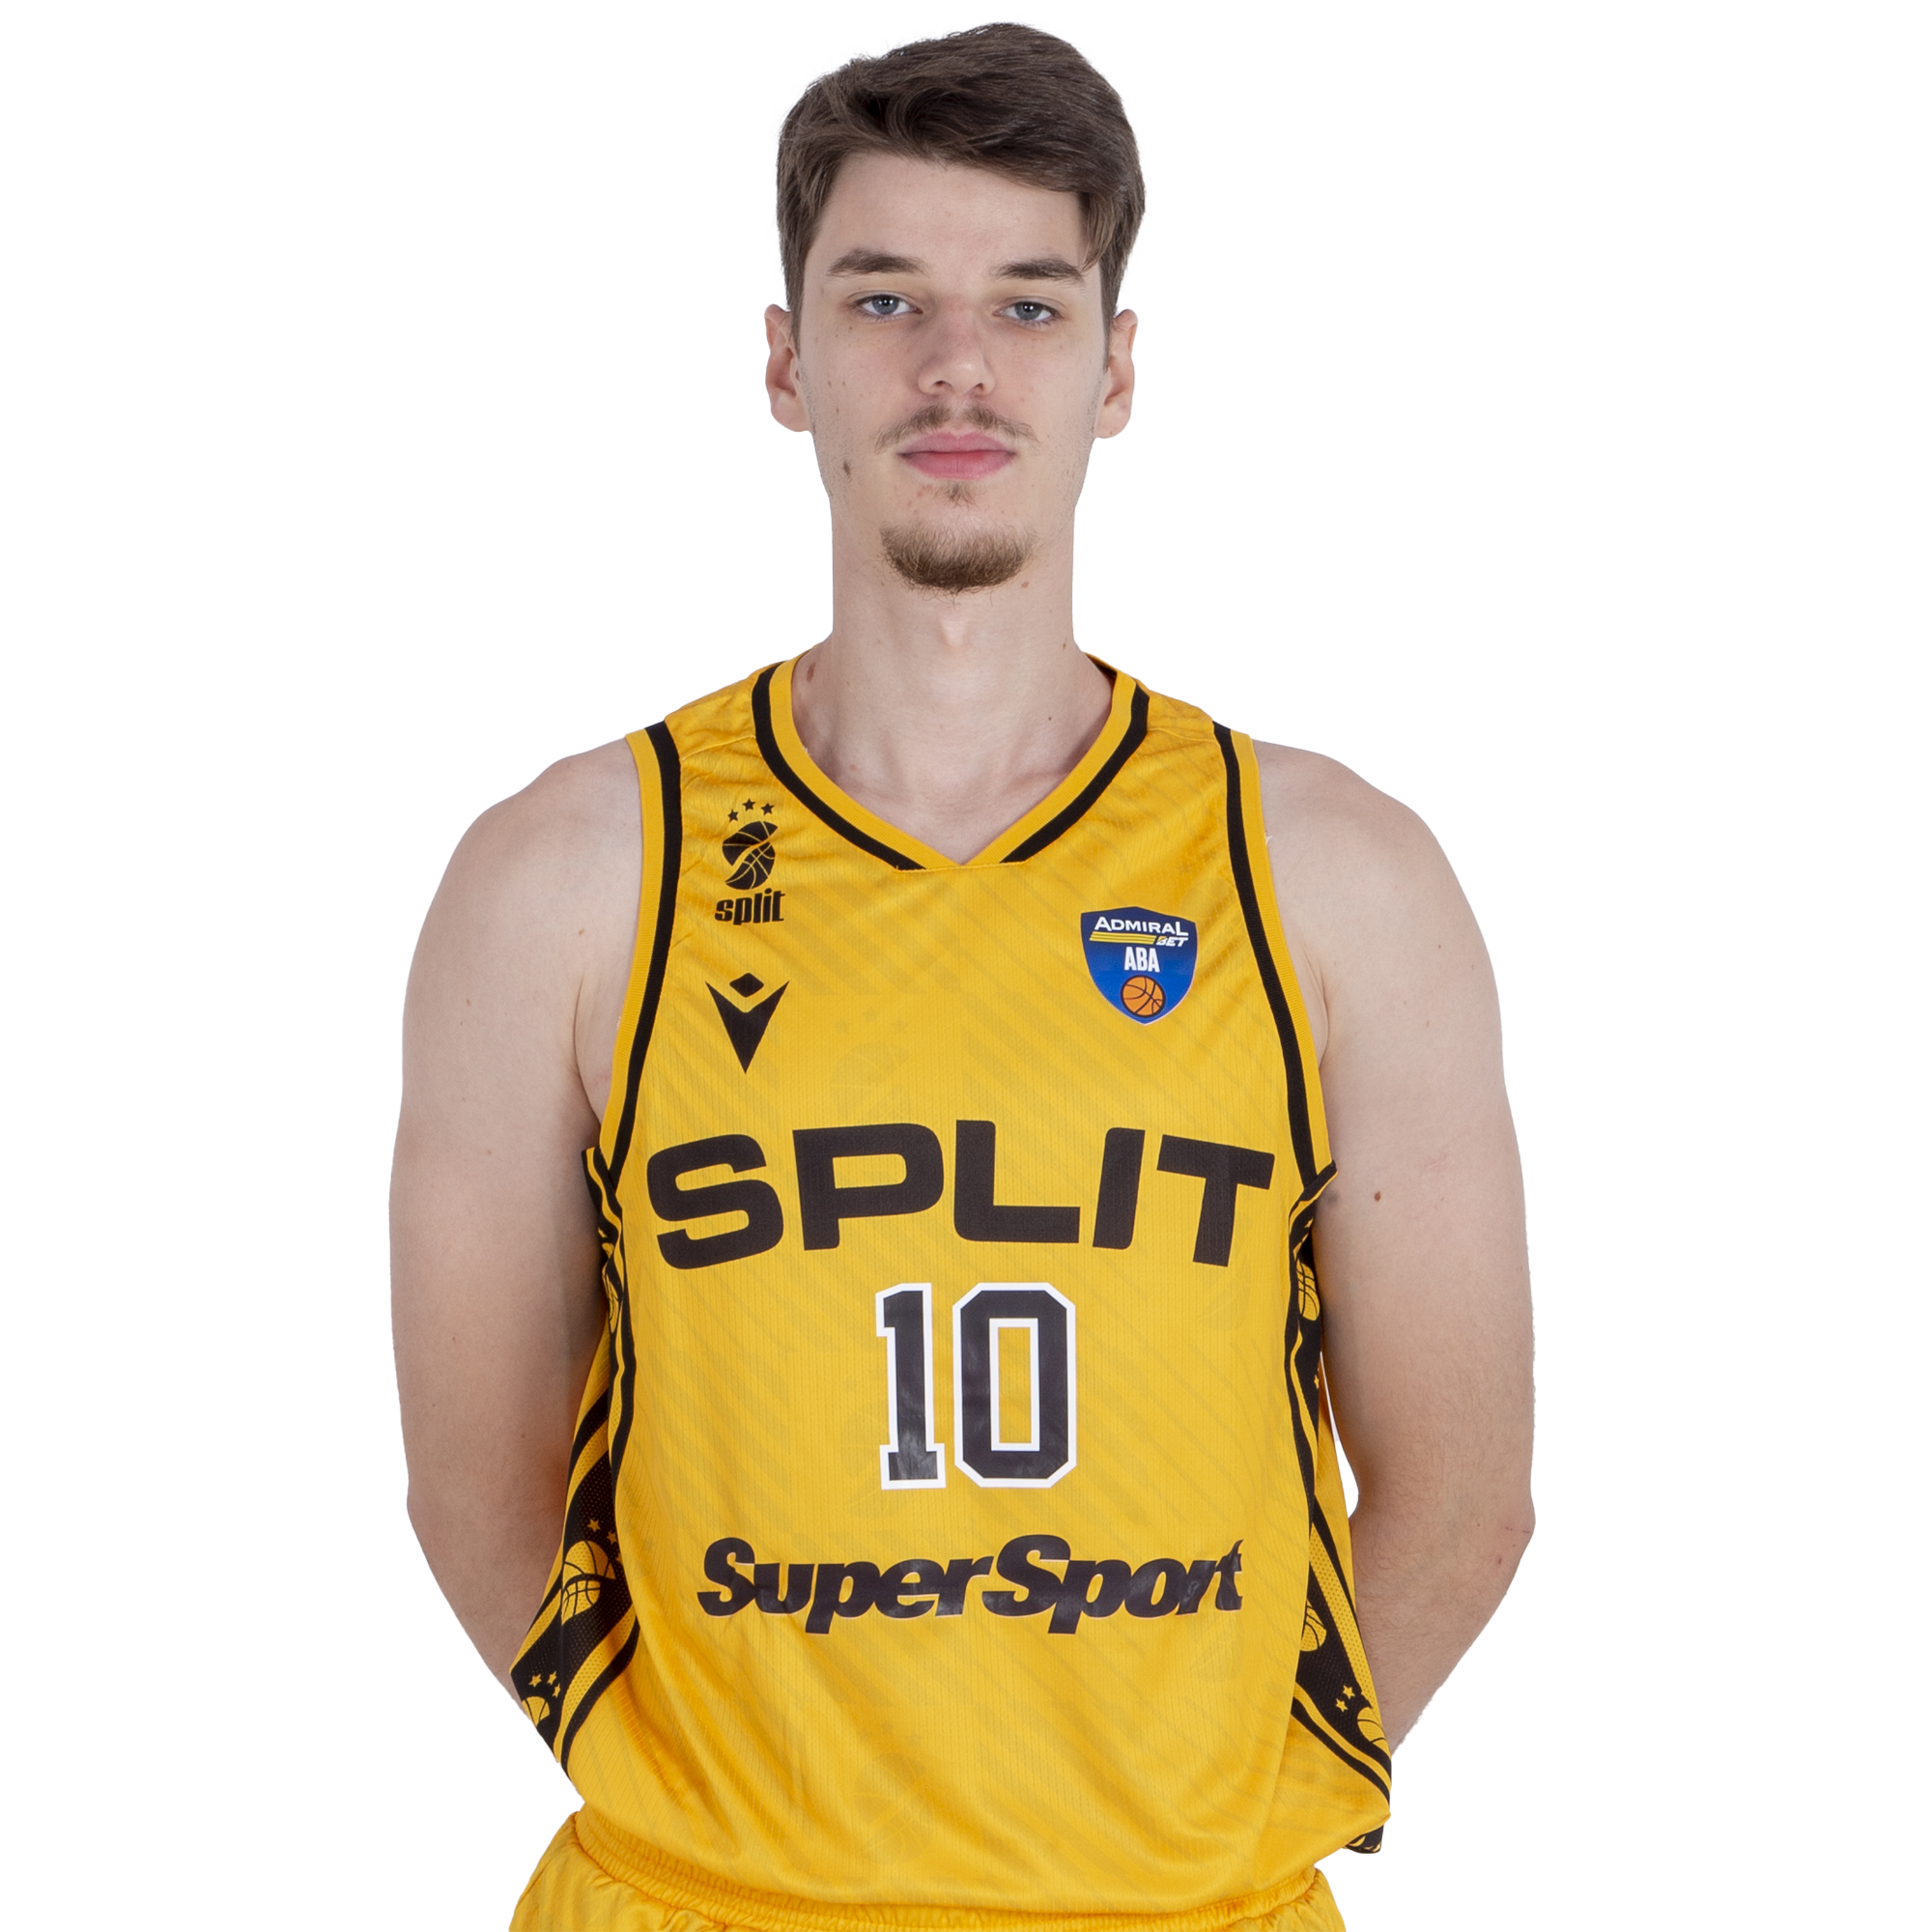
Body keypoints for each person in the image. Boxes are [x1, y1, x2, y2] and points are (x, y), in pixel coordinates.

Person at [391, 21, 1534, 1932]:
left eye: (1026, 303)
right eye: (883, 299)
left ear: (1115, 365)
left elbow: (1467, 1487)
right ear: (786, 362)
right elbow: (474, 1479)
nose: (956, 367)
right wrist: (716, 1813)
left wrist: (1211, 1833)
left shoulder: (1331, 876)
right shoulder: (569, 876)